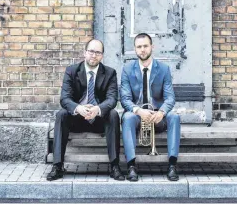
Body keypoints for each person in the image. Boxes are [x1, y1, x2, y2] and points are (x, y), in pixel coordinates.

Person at [46, 39, 125, 181]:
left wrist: (98, 109)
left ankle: (114, 166)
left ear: (102, 56)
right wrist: (79, 108)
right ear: (85, 53)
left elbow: (112, 99)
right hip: (78, 119)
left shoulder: (110, 73)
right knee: (61, 115)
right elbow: (64, 99)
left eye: (98, 53)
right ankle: (57, 165)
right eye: (91, 51)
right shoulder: (72, 71)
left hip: (99, 120)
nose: (94, 55)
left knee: (113, 114)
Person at [120, 33, 180, 181]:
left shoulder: (164, 69)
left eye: (145, 46)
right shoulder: (127, 69)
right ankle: (131, 166)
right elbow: (125, 99)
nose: (142, 50)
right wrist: (139, 111)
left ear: (152, 47)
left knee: (174, 117)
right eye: (139, 47)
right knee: (127, 116)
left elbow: (170, 97)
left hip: (157, 117)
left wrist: (162, 112)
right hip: (138, 118)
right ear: (135, 49)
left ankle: (172, 165)